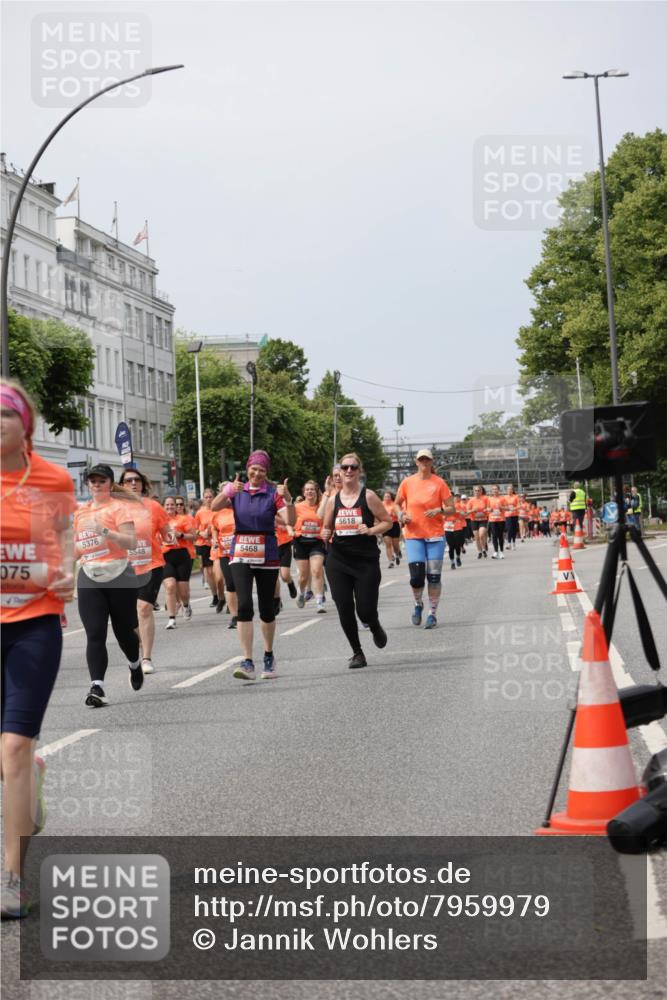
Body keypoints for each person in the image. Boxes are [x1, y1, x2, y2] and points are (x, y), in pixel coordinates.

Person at [1, 380, 76, 918]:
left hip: (34, 624)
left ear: (24, 423)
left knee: (13, 751)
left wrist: (65, 572)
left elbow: (68, 545)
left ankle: (11, 877)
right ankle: (31, 775)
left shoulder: (52, 478)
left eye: (4, 415)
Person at [211, 450, 295, 680]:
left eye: (261, 470)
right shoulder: (238, 490)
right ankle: (247, 660)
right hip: (240, 551)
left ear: (266, 473)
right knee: (244, 605)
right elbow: (214, 507)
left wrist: (287, 499)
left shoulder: (272, 493)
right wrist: (228, 490)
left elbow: (290, 521)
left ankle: (268, 655)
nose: (256, 473)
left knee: (267, 608)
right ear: (247, 469)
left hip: (267, 552)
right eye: (253, 469)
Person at [73, 465, 144, 708]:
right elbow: (78, 546)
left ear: (110, 484)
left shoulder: (119, 508)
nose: (96, 484)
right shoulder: (81, 512)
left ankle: (135, 663)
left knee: (124, 632)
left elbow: (132, 542)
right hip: (90, 575)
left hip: (119, 575)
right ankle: (97, 687)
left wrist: (105, 532)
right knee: (95, 633)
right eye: (92, 480)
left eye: (101, 480)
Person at [321, 453, 391, 667]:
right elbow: (327, 527)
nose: (349, 471)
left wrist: (371, 530)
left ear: (359, 471)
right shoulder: (333, 500)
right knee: (343, 606)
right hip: (338, 560)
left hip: (365, 560)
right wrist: (325, 533)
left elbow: (387, 522)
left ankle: (374, 624)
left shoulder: (368, 496)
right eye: (345, 467)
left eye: (353, 467)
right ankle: (357, 652)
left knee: (365, 610)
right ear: (339, 472)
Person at [118, 468, 171, 674]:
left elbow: (166, 533)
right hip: (124, 568)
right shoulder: (115, 508)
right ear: (121, 485)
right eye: (128, 480)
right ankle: (138, 647)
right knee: (128, 617)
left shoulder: (154, 507)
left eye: (137, 480)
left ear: (143, 483)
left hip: (151, 564)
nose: (133, 484)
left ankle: (147, 657)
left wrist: (171, 536)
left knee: (144, 608)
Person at [396, 448, 455, 629]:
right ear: (416, 462)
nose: (424, 462)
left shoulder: (439, 483)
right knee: (416, 578)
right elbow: (397, 504)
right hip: (414, 535)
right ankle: (418, 603)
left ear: (431, 462)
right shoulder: (407, 482)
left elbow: (452, 508)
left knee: (434, 577)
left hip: (435, 535)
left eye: (427, 460)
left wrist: (440, 510)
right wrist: (401, 515)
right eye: (421, 460)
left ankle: (432, 613)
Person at [161, 496, 197, 629]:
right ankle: (171, 619)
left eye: (172, 505)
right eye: (167, 505)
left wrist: (180, 535)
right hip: (165, 556)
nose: (170, 507)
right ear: (163, 506)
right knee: (170, 586)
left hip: (182, 555)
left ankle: (186, 605)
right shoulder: (159, 520)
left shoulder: (183, 519)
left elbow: (194, 536)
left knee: (183, 592)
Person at [294, 481, 328, 612]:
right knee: (303, 576)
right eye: (307, 490)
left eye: (312, 490)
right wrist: (290, 529)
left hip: (316, 542)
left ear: (316, 491)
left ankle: (320, 601)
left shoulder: (321, 506)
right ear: (303, 492)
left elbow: (327, 520)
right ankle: (301, 592)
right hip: (300, 541)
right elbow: (288, 520)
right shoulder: (297, 507)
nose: (309, 492)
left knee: (317, 570)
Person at [210, 493, 238, 627]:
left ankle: (241, 609)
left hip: (240, 553)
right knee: (230, 583)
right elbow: (214, 528)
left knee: (239, 583)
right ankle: (234, 617)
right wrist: (215, 539)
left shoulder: (239, 510)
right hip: (224, 553)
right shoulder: (217, 514)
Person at [194, 488, 218, 607]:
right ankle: (215, 596)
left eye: (210, 496)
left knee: (217, 573)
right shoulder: (200, 512)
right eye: (206, 497)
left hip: (215, 543)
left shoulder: (217, 510)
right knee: (208, 572)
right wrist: (201, 533)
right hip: (203, 543)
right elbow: (194, 529)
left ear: (214, 497)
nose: (208, 499)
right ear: (203, 499)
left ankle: (222, 594)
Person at [467, 484, 490, 560]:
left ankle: (484, 549)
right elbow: (467, 511)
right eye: (475, 490)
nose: (477, 492)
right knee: (476, 538)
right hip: (474, 520)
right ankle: (479, 552)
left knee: (481, 535)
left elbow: (489, 508)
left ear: (481, 491)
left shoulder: (485, 498)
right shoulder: (471, 500)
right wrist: (473, 510)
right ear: (473, 492)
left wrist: (486, 510)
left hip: (483, 519)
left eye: (478, 490)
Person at [381, 490, 402, 568]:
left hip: (394, 525)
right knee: (388, 544)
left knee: (395, 545)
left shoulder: (394, 505)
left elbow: (399, 514)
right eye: (385, 496)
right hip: (385, 525)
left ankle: (397, 554)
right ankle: (390, 562)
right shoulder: (381, 504)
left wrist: (394, 514)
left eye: (388, 496)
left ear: (391, 497)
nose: (387, 498)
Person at [487, 484, 507, 559]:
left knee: (500, 536)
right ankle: (495, 551)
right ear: (492, 491)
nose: (495, 490)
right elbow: (487, 508)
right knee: (494, 536)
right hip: (492, 519)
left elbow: (507, 508)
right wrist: (489, 510)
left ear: (499, 490)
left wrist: (501, 507)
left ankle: (501, 551)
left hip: (501, 519)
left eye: (496, 489)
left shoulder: (502, 498)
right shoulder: (489, 499)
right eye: (493, 489)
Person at [504, 485, 520, 550]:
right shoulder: (504, 498)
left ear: (513, 490)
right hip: (507, 515)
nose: (509, 491)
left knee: (514, 530)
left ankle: (513, 543)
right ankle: (509, 543)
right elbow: (502, 506)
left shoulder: (516, 497)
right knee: (509, 529)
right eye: (508, 489)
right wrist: (507, 508)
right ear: (506, 491)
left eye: (511, 489)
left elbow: (519, 505)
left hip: (514, 515)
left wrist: (514, 508)